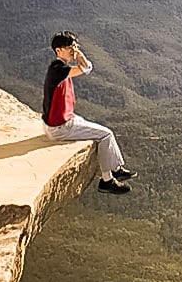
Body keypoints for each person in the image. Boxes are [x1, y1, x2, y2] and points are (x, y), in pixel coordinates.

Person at [43, 31, 136, 194]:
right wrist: (79, 55)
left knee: (93, 127)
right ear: (58, 51)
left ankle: (116, 168)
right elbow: (86, 68)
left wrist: (75, 52)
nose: (72, 51)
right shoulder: (58, 69)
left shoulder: (57, 68)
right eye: (69, 48)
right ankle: (107, 180)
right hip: (61, 127)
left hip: (61, 121)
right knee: (105, 134)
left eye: (74, 47)